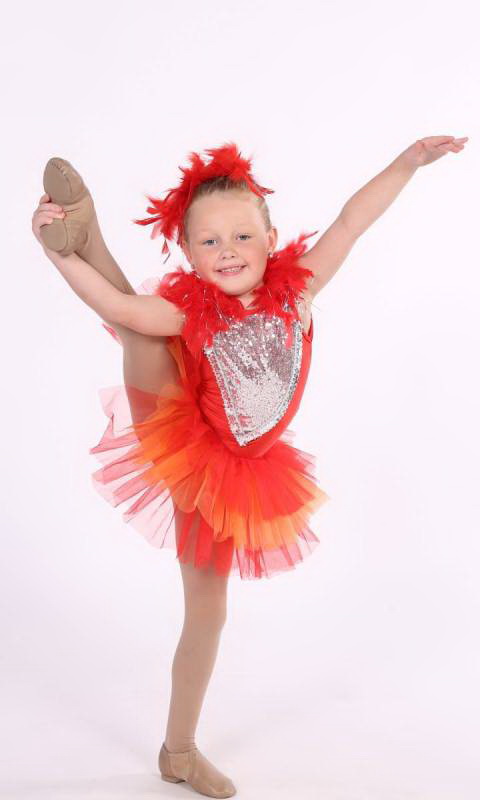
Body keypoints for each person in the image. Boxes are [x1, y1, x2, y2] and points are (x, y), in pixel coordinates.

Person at [31, 136, 467, 797]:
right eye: (208, 242)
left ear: (271, 238)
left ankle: (85, 232)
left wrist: (407, 163)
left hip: (246, 465)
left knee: (209, 615)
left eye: (241, 234)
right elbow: (119, 309)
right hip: (189, 444)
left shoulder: (300, 291)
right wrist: (52, 258)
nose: (227, 249)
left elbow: (352, 219)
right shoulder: (187, 307)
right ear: (186, 254)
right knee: (142, 330)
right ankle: (178, 750)